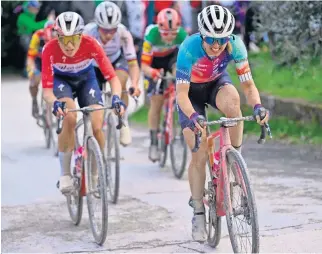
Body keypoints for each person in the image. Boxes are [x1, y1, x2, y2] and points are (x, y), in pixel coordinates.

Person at [175, 5, 269, 242]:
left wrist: (258, 106)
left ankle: (234, 159)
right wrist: (193, 117)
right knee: (199, 152)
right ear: (201, 34)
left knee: (234, 102)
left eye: (221, 39)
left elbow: (248, 85)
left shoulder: (235, 45)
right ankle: (198, 210)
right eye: (210, 39)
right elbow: (181, 95)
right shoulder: (188, 48)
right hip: (191, 96)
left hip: (216, 83)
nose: (216, 45)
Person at [41, 12, 126, 194]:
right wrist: (55, 103)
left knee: (97, 125)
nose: (70, 45)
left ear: (82, 36)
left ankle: (95, 173)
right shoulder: (49, 49)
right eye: (64, 40)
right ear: (57, 37)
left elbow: (112, 77)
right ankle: (65, 174)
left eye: (74, 39)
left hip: (87, 80)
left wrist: (117, 97)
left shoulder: (91, 44)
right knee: (70, 118)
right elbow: (47, 91)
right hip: (62, 82)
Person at [83, 1, 141, 146]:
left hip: (115, 61)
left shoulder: (123, 33)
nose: (109, 35)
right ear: (97, 26)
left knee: (121, 82)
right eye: (104, 30)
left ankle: (123, 120)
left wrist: (134, 84)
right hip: (95, 65)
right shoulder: (88, 32)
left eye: (112, 30)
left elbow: (133, 63)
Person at [141, 8, 188, 162]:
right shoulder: (151, 34)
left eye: (172, 33)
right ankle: (154, 142)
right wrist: (153, 73)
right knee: (156, 101)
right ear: (159, 28)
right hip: (154, 62)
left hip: (171, 59)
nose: (169, 38)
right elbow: (144, 66)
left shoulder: (182, 35)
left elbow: (188, 61)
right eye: (165, 33)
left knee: (179, 71)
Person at [27, 20, 57, 118]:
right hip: (39, 61)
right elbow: (30, 57)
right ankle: (34, 100)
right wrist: (32, 71)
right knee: (34, 79)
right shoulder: (37, 35)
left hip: (54, 60)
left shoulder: (62, 35)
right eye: (46, 41)